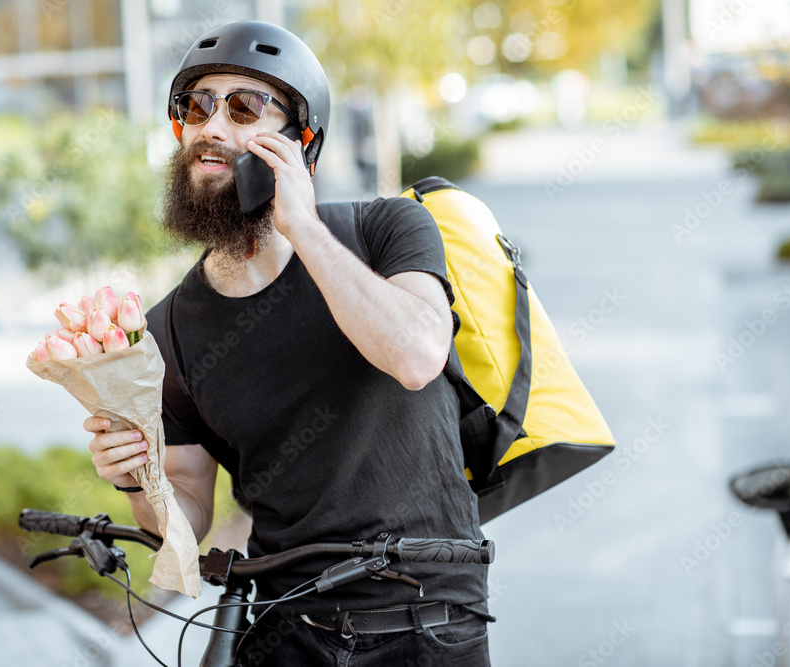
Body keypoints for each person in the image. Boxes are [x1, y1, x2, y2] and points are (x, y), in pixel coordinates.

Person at [84, 20, 492, 666]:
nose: (213, 127)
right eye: (197, 106)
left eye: (244, 107)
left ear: (303, 141)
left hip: (427, 616)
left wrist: (300, 224)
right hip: (284, 626)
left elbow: (417, 356)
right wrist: (138, 477)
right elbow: (187, 520)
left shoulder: (386, 229)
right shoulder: (167, 331)